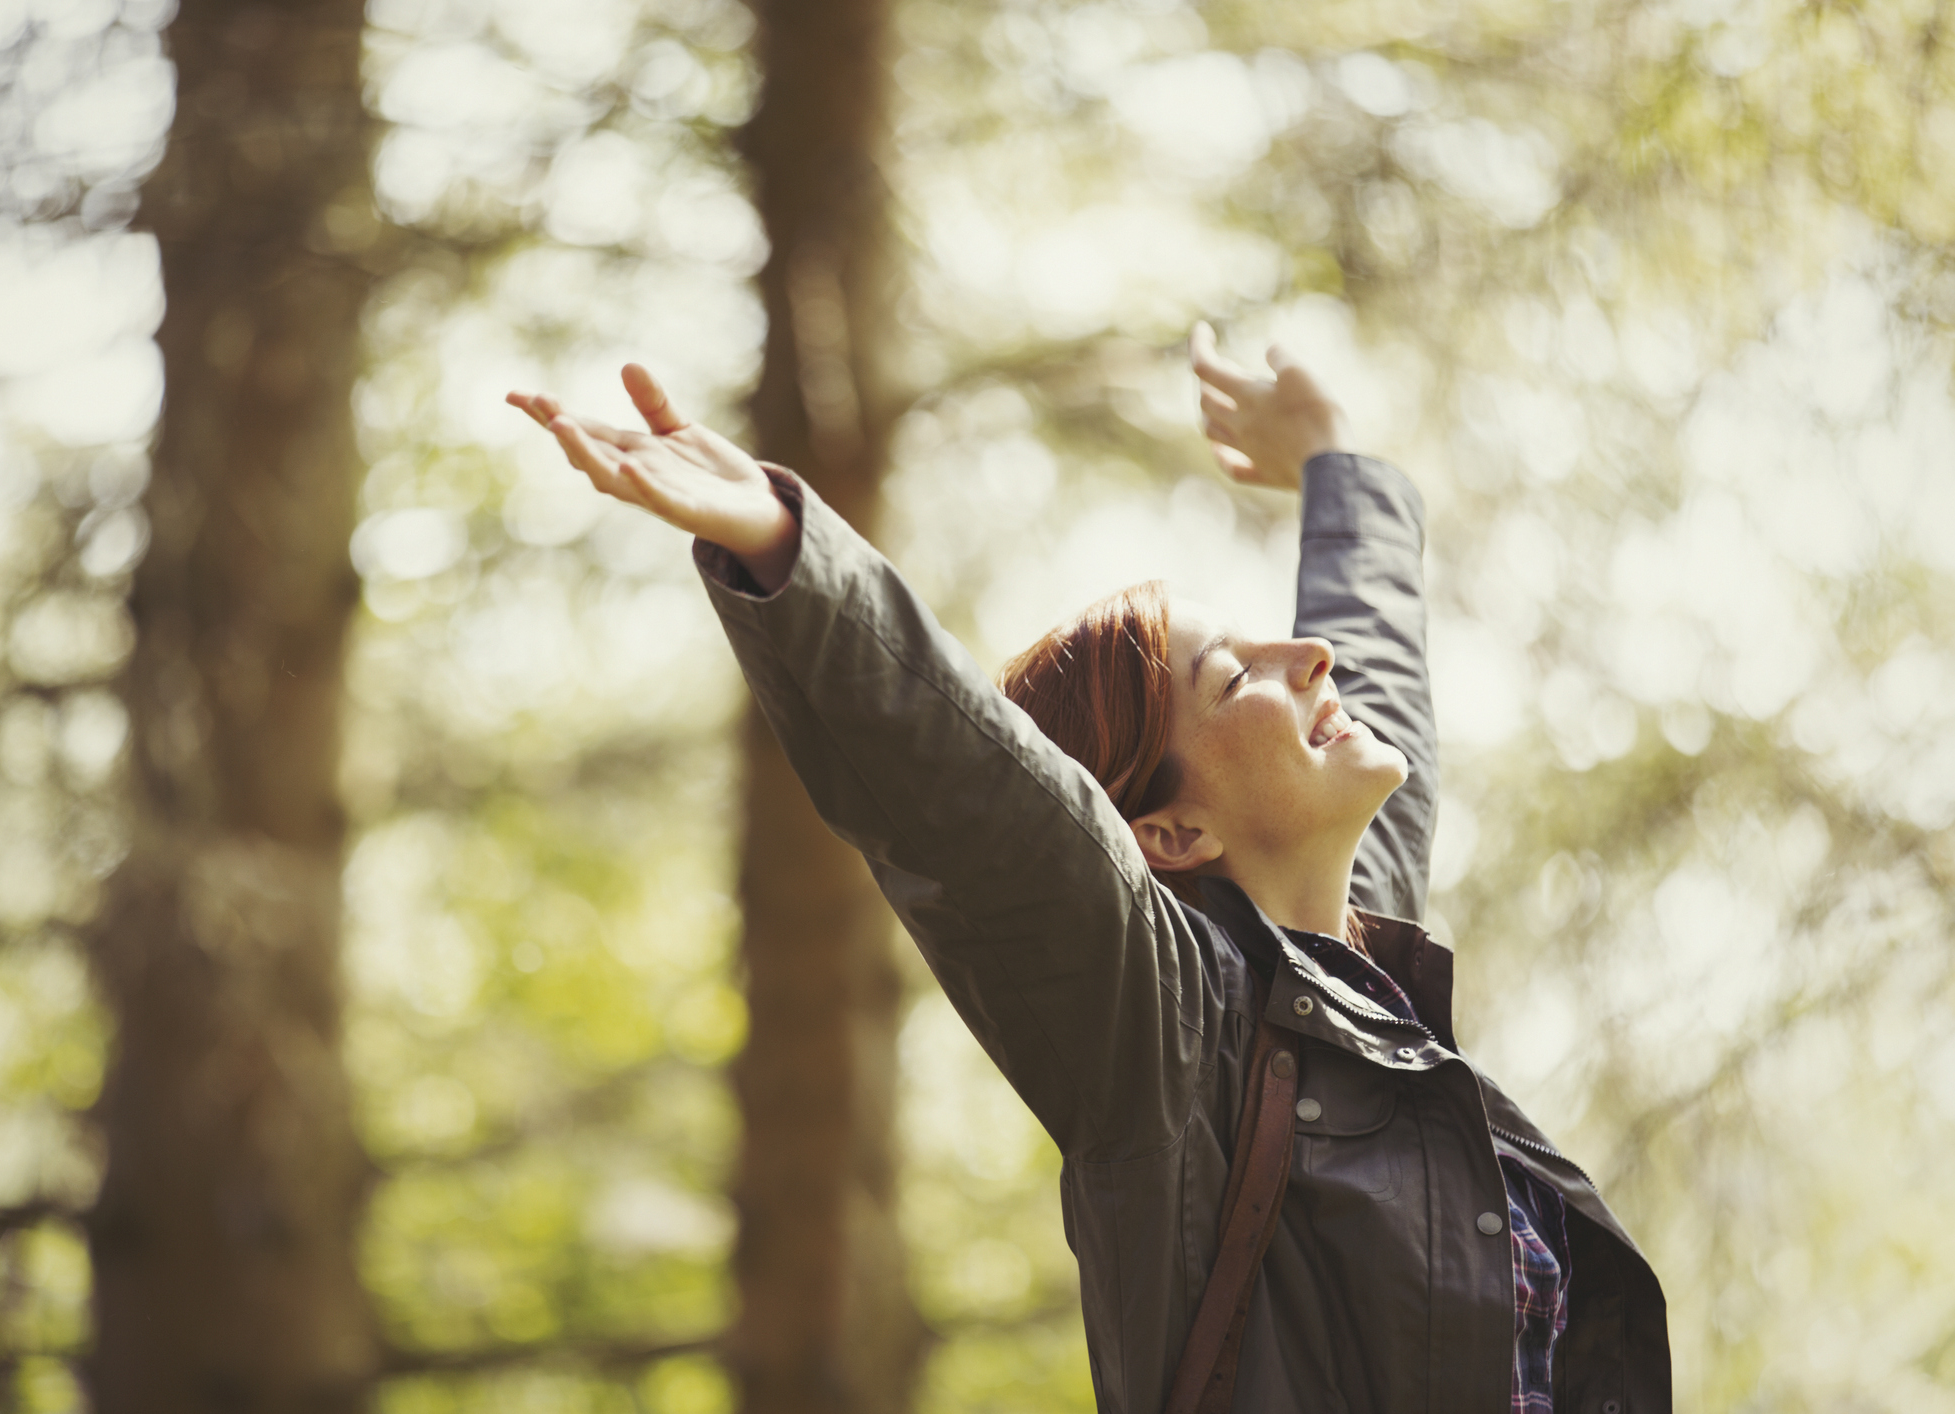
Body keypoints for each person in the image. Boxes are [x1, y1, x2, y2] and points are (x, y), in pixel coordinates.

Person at [506, 328, 1669, 1414]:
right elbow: (975, 791)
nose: (1307, 658)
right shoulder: (1167, 1029)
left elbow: (1367, 658)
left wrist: (1336, 468)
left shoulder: (1362, 993)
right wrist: (784, 545)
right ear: (1165, 836)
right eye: (1231, 677)